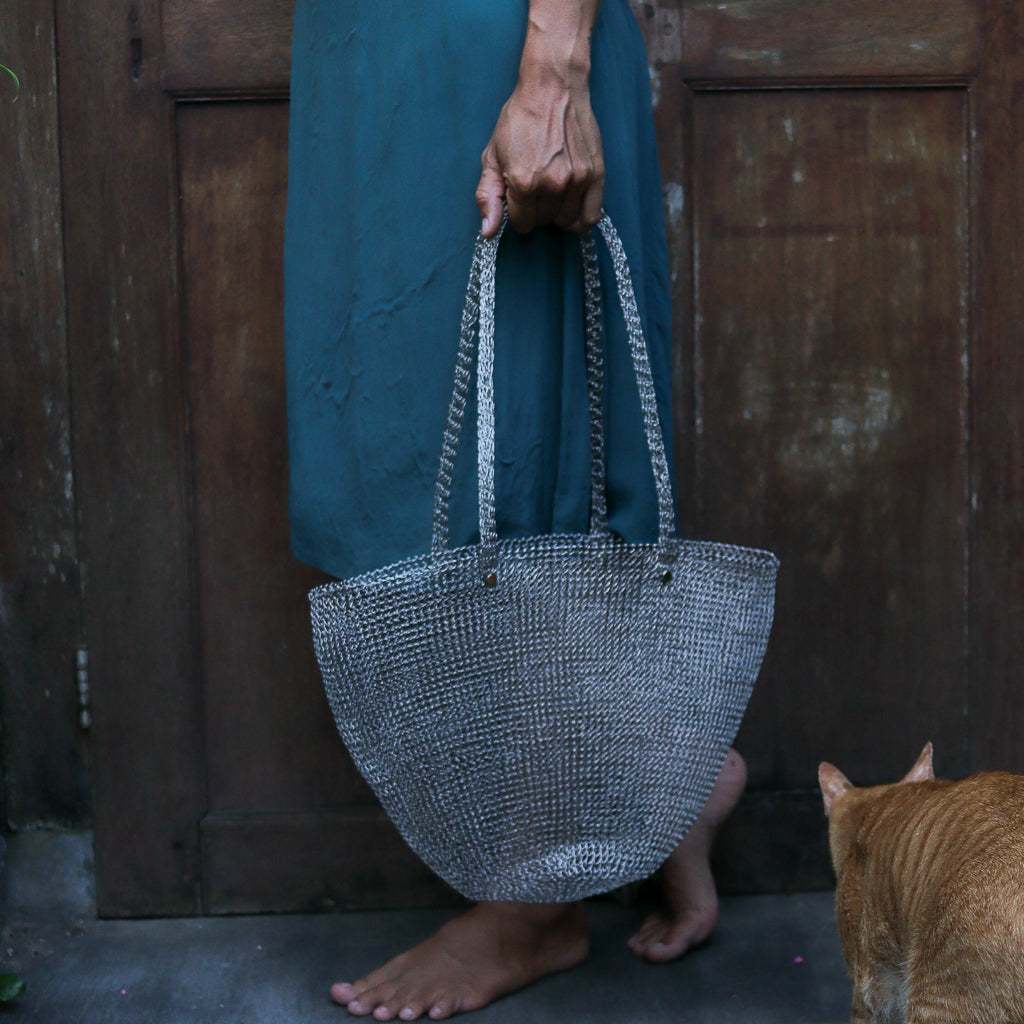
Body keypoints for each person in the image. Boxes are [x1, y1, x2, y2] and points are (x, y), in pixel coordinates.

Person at [284, 1, 748, 1019]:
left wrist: (554, 60)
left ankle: (534, 896)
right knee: (408, 449)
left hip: (492, 47)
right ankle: (660, 770)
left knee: (528, 453)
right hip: (370, 60)